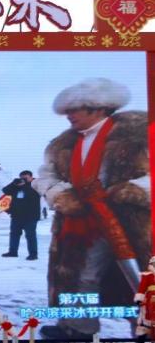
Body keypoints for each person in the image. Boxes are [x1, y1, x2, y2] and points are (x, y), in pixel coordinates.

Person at [33, 78, 150, 340]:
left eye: (74, 109)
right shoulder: (62, 144)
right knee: (81, 277)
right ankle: (77, 328)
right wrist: (62, 195)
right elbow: (46, 178)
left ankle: (146, 330)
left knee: (140, 278)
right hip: (83, 224)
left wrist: (131, 191)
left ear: (98, 108)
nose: (68, 116)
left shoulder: (139, 133)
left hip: (133, 221)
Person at [1, 170, 41, 260]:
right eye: (21, 178)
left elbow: (33, 195)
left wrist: (25, 185)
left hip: (31, 217)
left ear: (31, 177)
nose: (23, 180)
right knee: (14, 234)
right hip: (16, 216)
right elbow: (5, 191)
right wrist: (13, 184)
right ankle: (13, 252)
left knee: (30, 236)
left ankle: (33, 254)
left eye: (25, 178)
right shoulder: (17, 186)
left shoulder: (36, 185)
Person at [135, 256, 155, 338]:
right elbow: (142, 288)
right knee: (146, 319)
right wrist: (139, 299)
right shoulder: (147, 275)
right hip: (150, 300)